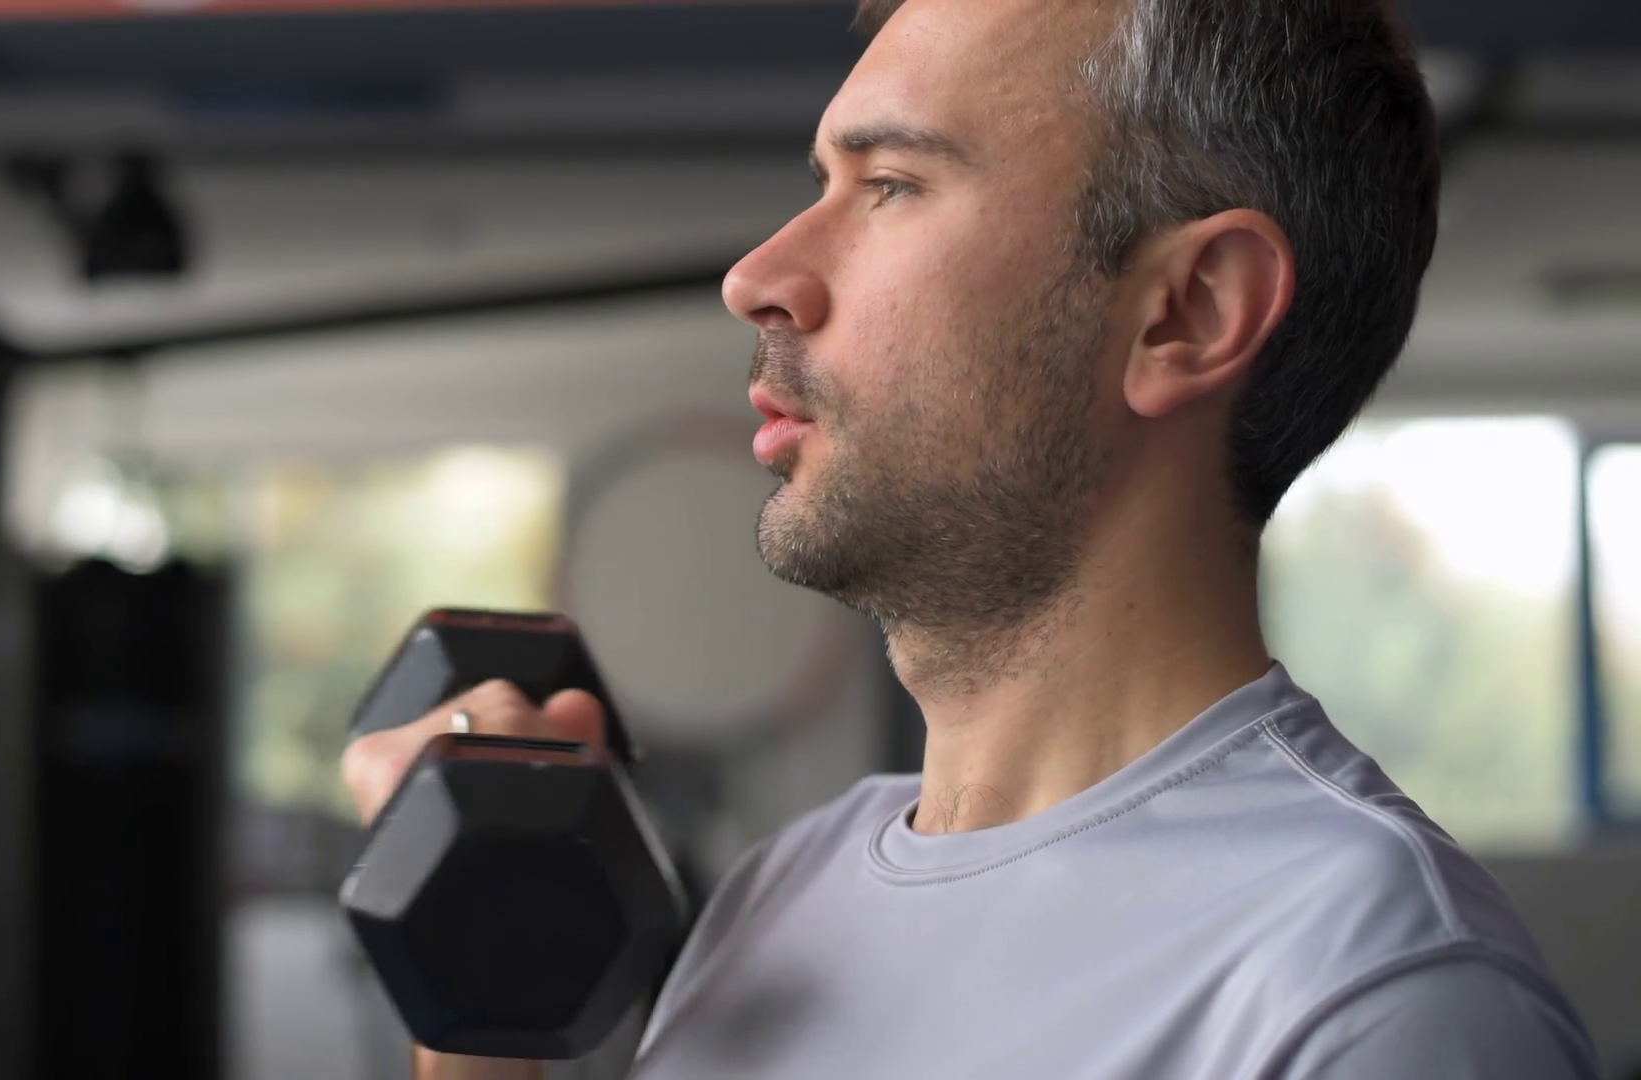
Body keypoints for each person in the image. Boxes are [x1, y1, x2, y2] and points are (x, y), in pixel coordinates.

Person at [343, 0, 1601, 1076]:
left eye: (891, 184)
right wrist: (477, 1032)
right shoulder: (786, 892)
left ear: (1188, 312)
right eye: (822, 184)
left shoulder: (1373, 993)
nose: (758, 276)